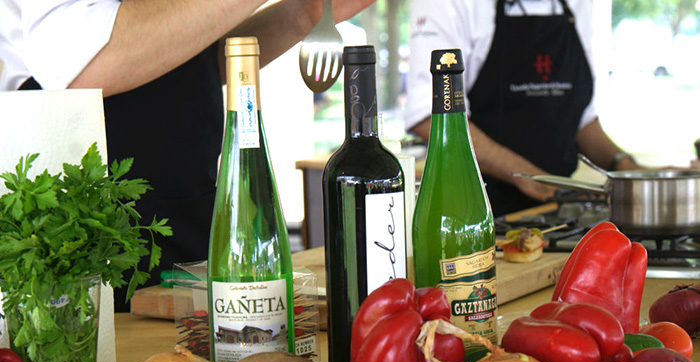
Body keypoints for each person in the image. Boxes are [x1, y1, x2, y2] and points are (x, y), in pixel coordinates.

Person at [0, 0, 374, 310]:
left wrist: (302, 14)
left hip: (187, 205)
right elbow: (81, 61)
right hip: (83, 230)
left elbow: (190, 55)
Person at [405, 0, 642, 217]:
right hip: (473, 214)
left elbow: (581, 120)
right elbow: (431, 114)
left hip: (554, 213)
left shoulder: (577, 4)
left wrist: (625, 166)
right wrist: (531, 178)